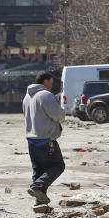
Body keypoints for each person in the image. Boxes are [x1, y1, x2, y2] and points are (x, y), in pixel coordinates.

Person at [23, 71, 65, 205]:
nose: (51, 86)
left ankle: (39, 202)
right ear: (44, 81)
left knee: (39, 171)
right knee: (57, 166)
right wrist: (62, 114)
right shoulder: (45, 95)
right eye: (50, 83)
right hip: (46, 140)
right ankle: (38, 187)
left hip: (31, 140)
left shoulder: (27, 97)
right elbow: (58, 115)